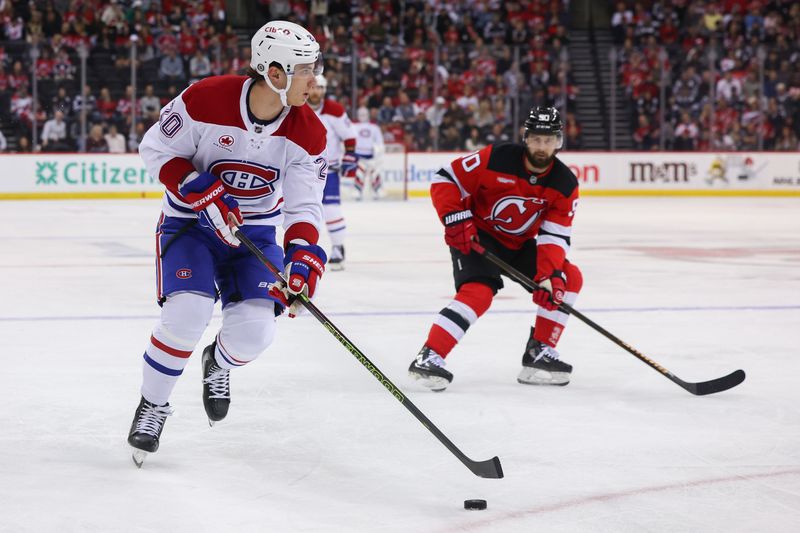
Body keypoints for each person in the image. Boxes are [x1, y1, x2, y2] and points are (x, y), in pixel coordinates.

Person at [126, 20, 328, 466]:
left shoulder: (309, 131)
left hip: (254, 231)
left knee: (256, 335)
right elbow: (155, 150)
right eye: (306, 70)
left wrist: (303, 258)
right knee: (187, 314)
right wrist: (199, 188)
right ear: (275, 73)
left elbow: (303, 208)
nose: (316, 81)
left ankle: (217, 362)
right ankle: (153, 405)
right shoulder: (205, 98)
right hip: (190, 222)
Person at [408, 106, 582, 391]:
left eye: (549, 140)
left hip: (519, 244)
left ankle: (538, 352)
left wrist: (549, 276)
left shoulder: (564, 183)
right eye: (537, 139)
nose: (542, 147)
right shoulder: (497, 157)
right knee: (479, 292)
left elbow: (554, 236)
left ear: (559, 141)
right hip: (475, 236)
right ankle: (430, 355)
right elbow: (445, 178)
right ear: (526, 138)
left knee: (569, 278)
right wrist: (455, 219)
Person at [306, 74, 358, 270]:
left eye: (320, 88)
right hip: (300, 170)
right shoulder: (295, 107)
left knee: (331, 210)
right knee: (297, 210)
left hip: (328, 171)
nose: (316, 92)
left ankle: (337, 248)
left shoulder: (334, 110)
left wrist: (350, 157)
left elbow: (350, 136)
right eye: (313, 87)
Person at [352, 107, 385, 200]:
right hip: (358, 155)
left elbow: (380, 142)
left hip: (371, 155)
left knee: (375, 173)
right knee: (359, 173)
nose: (363, 116)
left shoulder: (374, 127)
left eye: (364, 114)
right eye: (361, 114)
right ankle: (357, 190)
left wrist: (378, 152)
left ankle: (377, 189)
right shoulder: (353, 127)